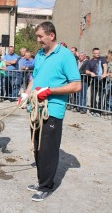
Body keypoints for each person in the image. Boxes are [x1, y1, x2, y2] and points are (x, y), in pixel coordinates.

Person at [18, 21, 81, 202]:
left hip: (51, 110)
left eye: (40, 36)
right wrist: (26, 94)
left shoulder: (66, 55)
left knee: (47, 150)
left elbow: (76, 85)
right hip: (35, 108)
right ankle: (41, 181)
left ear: (51, 35)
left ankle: (46, 186)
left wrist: (50, 90)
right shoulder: (40, 54)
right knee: (37, 147)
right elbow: (35, 77)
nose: (38, 40)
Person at [85, 47, 108, 116]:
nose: (98, 54)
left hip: (102, 81)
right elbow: (86, 71)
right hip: (94, 81)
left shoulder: (102, 59)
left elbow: (105, 66)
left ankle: (99, 111)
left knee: (101, 96)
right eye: (96, 53)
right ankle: (93, 109)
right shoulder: (90, 61)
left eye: (98, 53)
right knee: (93, 95)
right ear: (93, 54)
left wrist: (104, 73)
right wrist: (90, 73)